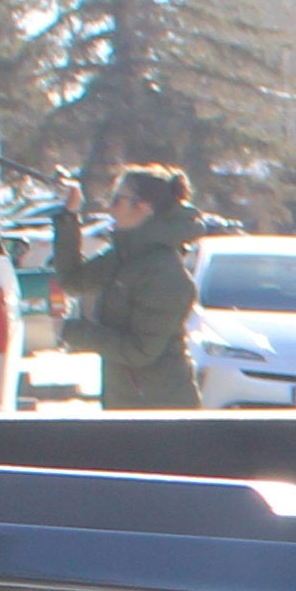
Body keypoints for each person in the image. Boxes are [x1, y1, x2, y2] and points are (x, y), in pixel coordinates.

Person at [85, 166, 205, 410]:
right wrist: (66, 216)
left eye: (117, 200)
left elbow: (140, 351)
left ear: (144, 207)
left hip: (160, 410)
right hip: (129, 403)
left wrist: (76, 333)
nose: (110, 207)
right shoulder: (126, 256)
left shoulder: (163, 271)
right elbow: (74, 280)